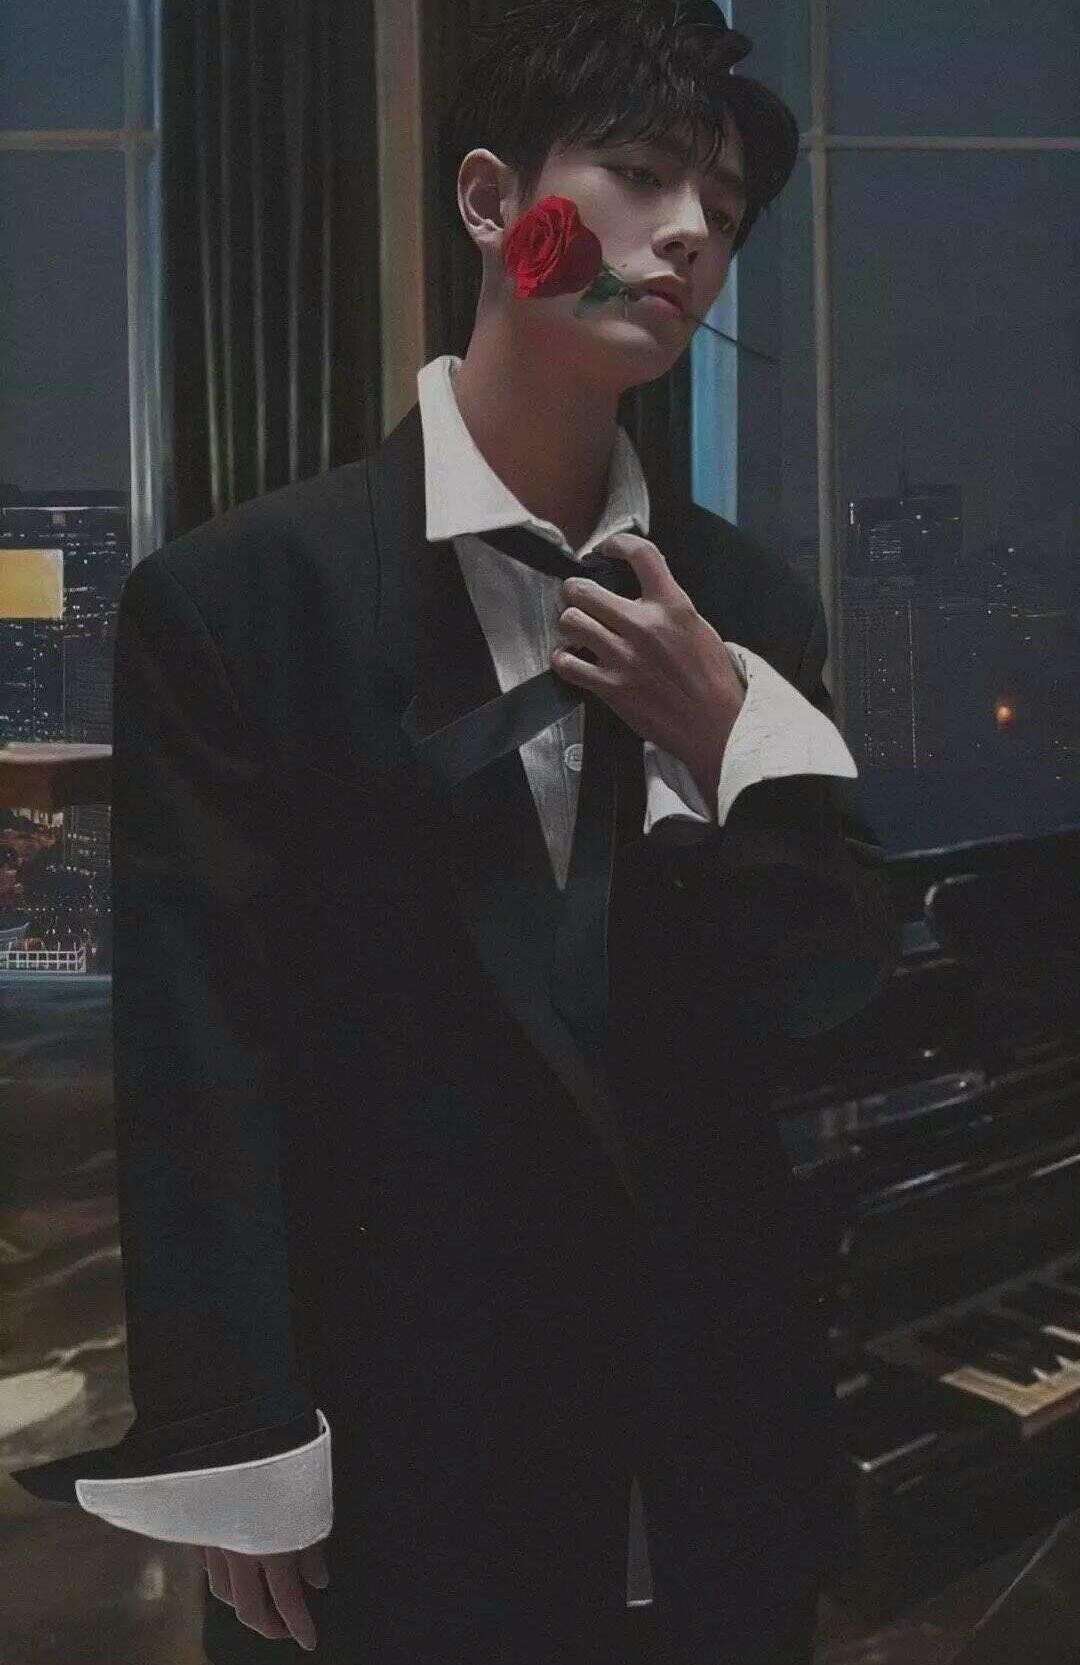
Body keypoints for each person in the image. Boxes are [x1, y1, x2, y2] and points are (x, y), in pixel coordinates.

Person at [12, 2, 900, 1660]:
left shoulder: (749, 607)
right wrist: (237, 1428)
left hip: (701, 1430)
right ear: (494, 203)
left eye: (721, 210)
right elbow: (200, 1053)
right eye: (639, 175)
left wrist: (732, 737)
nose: (690, 234)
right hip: (401, 1430)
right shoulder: (239, 601)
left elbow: (823, 997)